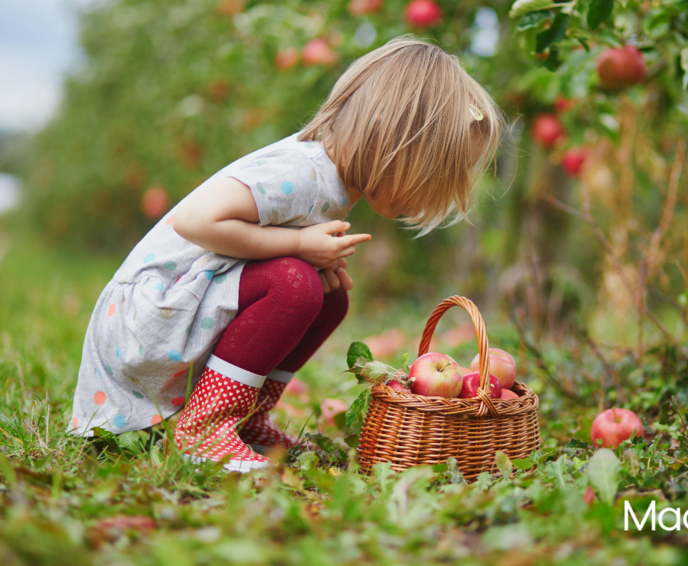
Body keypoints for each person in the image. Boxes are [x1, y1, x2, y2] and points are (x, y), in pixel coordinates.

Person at [68, 37, 503, 472]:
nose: (434, 196)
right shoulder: (301, 171)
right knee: (295, 284)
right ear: (399, 143)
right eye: (436, 174)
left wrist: (314, 258)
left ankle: (246, 420)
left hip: (179, 310)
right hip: (145, 320)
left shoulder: (330, 183)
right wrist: (298, 248)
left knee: (329, 296)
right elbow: (195, 220)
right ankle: (203, 429)